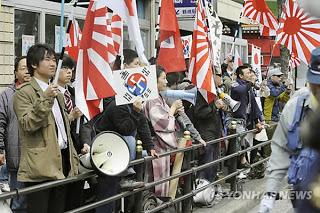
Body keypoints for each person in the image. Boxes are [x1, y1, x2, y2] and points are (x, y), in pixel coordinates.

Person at [13, 43, 79, 213]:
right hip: (40, 165)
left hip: (62, 160)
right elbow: (28, 124)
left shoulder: (58, 93)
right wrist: (46, 98)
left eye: (54, 60)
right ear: (34, 64)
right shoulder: (24, 93)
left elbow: (59, 128)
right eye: (47, 59)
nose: (53, 64)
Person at [93, 49, 157, 213]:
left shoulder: (134, 100)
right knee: (107, 193)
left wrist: (150, 147)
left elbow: (142, 124)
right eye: (136, 64)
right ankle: (126, 175)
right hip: (107, 152)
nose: (139, 68)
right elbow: (126, 129)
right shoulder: (117, 103)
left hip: (120, 155)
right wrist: (135, 112)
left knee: (116, 194)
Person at [55, 53, 89, 211]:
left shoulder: (75, 94)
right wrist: (70, 117)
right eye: (65, 68)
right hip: (61, 154)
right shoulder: (52, 94)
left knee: (76, 196)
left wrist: (85, 142)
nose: (69, 72)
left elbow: (84, 123)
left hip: (78, 151)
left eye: (71, 69)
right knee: (61, 196)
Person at [144, 66, 183, 197]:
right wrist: (173, 109)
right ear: (154, 81)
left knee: (161, 180)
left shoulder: (157, 97)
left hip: (159, 145)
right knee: (156, 181)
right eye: (163, 78)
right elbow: (164, 124)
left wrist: (175, 111)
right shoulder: (152, 99)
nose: (166, 82)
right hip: (155, 144)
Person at [0, 56, 30, 212]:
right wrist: (1, 150)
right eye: (23, 68)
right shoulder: (6, 95)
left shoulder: (41, 93)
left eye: (29, 67)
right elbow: (0, 124)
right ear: (15, 72)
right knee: (19, 202)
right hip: (17, 157)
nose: (27, 71)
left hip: (38, 159)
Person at [229, 65, 264, 168]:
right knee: (238, 142)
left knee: (242, 144)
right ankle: (236, 168)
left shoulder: (249, 87)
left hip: (246, 120)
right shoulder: (235, 84)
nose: (250, 75)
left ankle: (237, 169)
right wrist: (251, 83)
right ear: (240, 75)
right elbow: (241, 90)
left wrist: (258, 121)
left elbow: (253, 104)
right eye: (248, 73)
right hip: (234, 119)